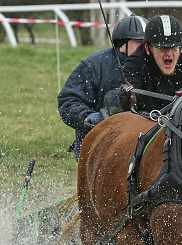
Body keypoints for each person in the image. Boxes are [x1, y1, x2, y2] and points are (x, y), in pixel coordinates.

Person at [57, 14, 147, 159]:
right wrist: (89, 117)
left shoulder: (157, 64)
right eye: (139, 43)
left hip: (143, 144)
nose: (145, 48)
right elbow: (68, 103)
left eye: (149, 44)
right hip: (98, 147)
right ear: (122, 46)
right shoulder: (94, 65)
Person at [119, 14, 182, 113]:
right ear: (148, 49)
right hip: (147, 122)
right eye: (162, 48)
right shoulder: (135, 64)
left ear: (181, 48)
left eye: (174, 47)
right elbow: (127, 93)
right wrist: (128, 97)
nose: (169, 54)